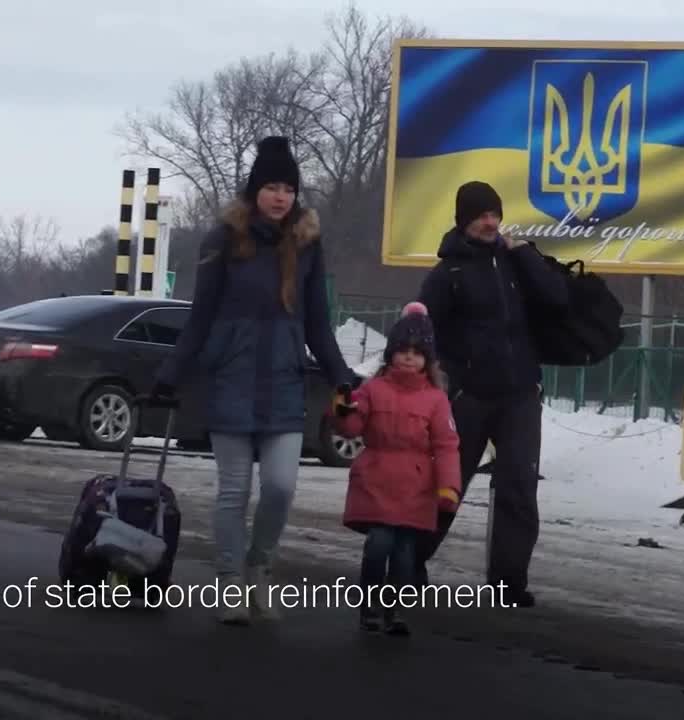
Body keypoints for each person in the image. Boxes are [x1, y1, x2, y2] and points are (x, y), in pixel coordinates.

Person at [152, 135, 360, 625]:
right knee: (233, 491)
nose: (281, 196)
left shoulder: (307, 245)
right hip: (232, 378)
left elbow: (317, 322)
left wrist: (340, 375)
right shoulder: (223, 240)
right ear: (255, 191)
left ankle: (258, 566)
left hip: (285, 381)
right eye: (272, 186)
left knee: (282, 486)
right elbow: (200, 316)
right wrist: (170, 374)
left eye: (288, 187)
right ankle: (228, 583)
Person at [413, 180, 570, 607]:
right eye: (481, 215)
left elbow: (558, 299)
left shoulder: (518, 260)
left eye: (494, 214)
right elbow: (422, 331)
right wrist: (446, 381)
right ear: (464, 220)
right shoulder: (448, 273)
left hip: (519, 393)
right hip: (470, 396)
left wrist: (525, 255)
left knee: (518, 484)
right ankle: (409, 565)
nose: (490, 222)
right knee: (449, 483)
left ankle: (508, 581)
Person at [331, 301, 461, 635]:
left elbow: (446, 445)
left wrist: (449, 487)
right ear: (391, 353)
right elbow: (351, 428)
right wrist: (343, 411)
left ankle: (395, 610)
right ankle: (369, 607)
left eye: (417, 353)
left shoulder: (436, 399)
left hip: (416, 488)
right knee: (378, 546)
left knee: (405, 555)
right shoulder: (372, 389)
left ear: (427, 360)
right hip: (376, 480)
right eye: (403, 350)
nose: (409, 357)